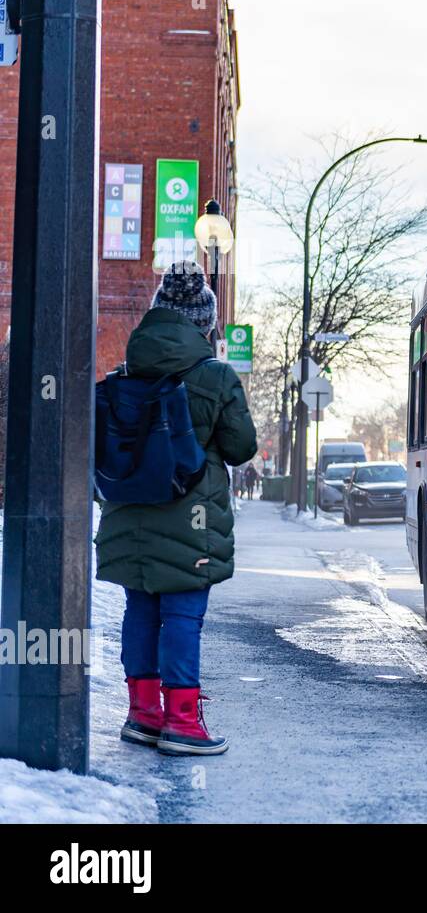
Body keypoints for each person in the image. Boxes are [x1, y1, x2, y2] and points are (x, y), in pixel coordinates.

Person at [95, 261, 257, 756]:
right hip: (191, 518)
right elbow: (241, 447)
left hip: (128, 512)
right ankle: (183, 721)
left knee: (140, 608)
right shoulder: (216, 376)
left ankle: (143, 714)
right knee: (183, 615)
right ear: (204, 322)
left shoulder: (125, 372)